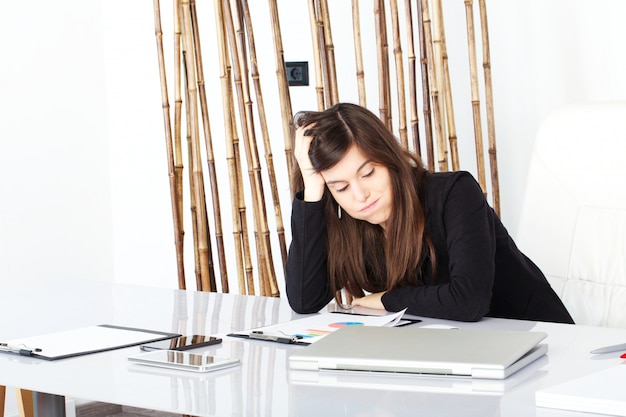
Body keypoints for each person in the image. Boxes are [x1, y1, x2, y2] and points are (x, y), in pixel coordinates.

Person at [285, 102, 574, 324]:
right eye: (341, 187)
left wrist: (387, 299)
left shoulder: (453, 193)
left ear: (389, 160)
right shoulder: (349, 223)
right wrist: (312, 190)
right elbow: (304, 300)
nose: (360, 195)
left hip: (537, 342)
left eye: (369, 173)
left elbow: (468, 301)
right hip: (457, 354)